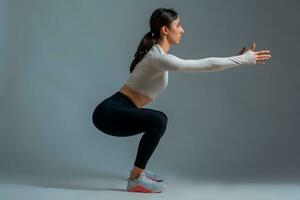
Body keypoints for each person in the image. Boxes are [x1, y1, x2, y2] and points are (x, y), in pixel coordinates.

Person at [92, 7, 271, 193]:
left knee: (159, 120)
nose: (182, 30)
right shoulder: (157, 57)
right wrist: (242, 60)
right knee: (158, 120)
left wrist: (238, 58)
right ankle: (136, 179)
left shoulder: (157, 55)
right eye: (178, 25)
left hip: (116, 109)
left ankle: (138, 172)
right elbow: (205, 65)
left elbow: (207, 65)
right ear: (165, 30)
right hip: (109, 113)